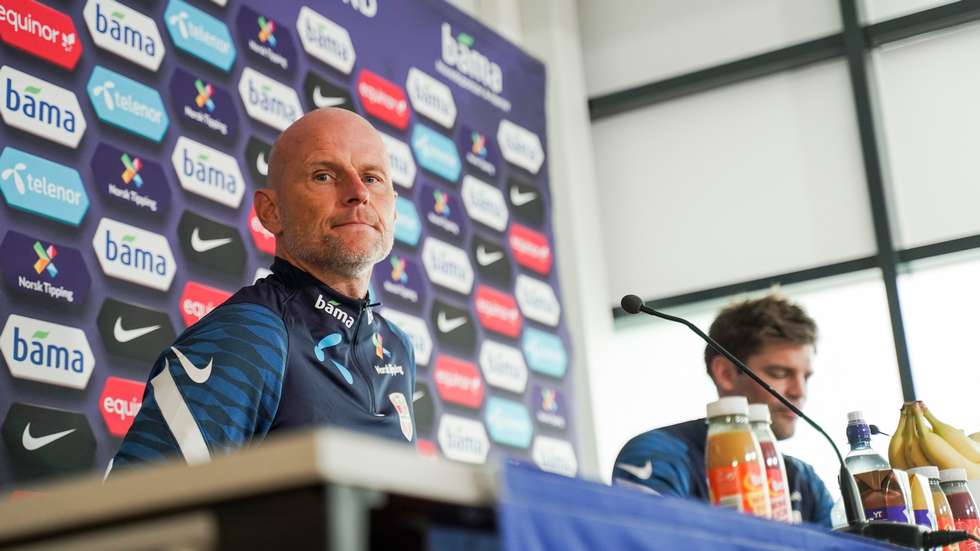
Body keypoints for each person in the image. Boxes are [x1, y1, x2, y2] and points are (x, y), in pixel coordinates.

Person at [109, 108, 416, 471]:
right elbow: (145, 501)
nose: (358, 192)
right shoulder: (250, 336)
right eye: (323, 176)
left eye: (372, 177)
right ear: (271, 212)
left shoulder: (396, 346)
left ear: (394, 210)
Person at [611, 294, 834, 526]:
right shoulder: (658, 454)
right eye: (779, 373)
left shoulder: (804, 479)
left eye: (806, 377)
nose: (800, 391)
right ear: (726, 373)